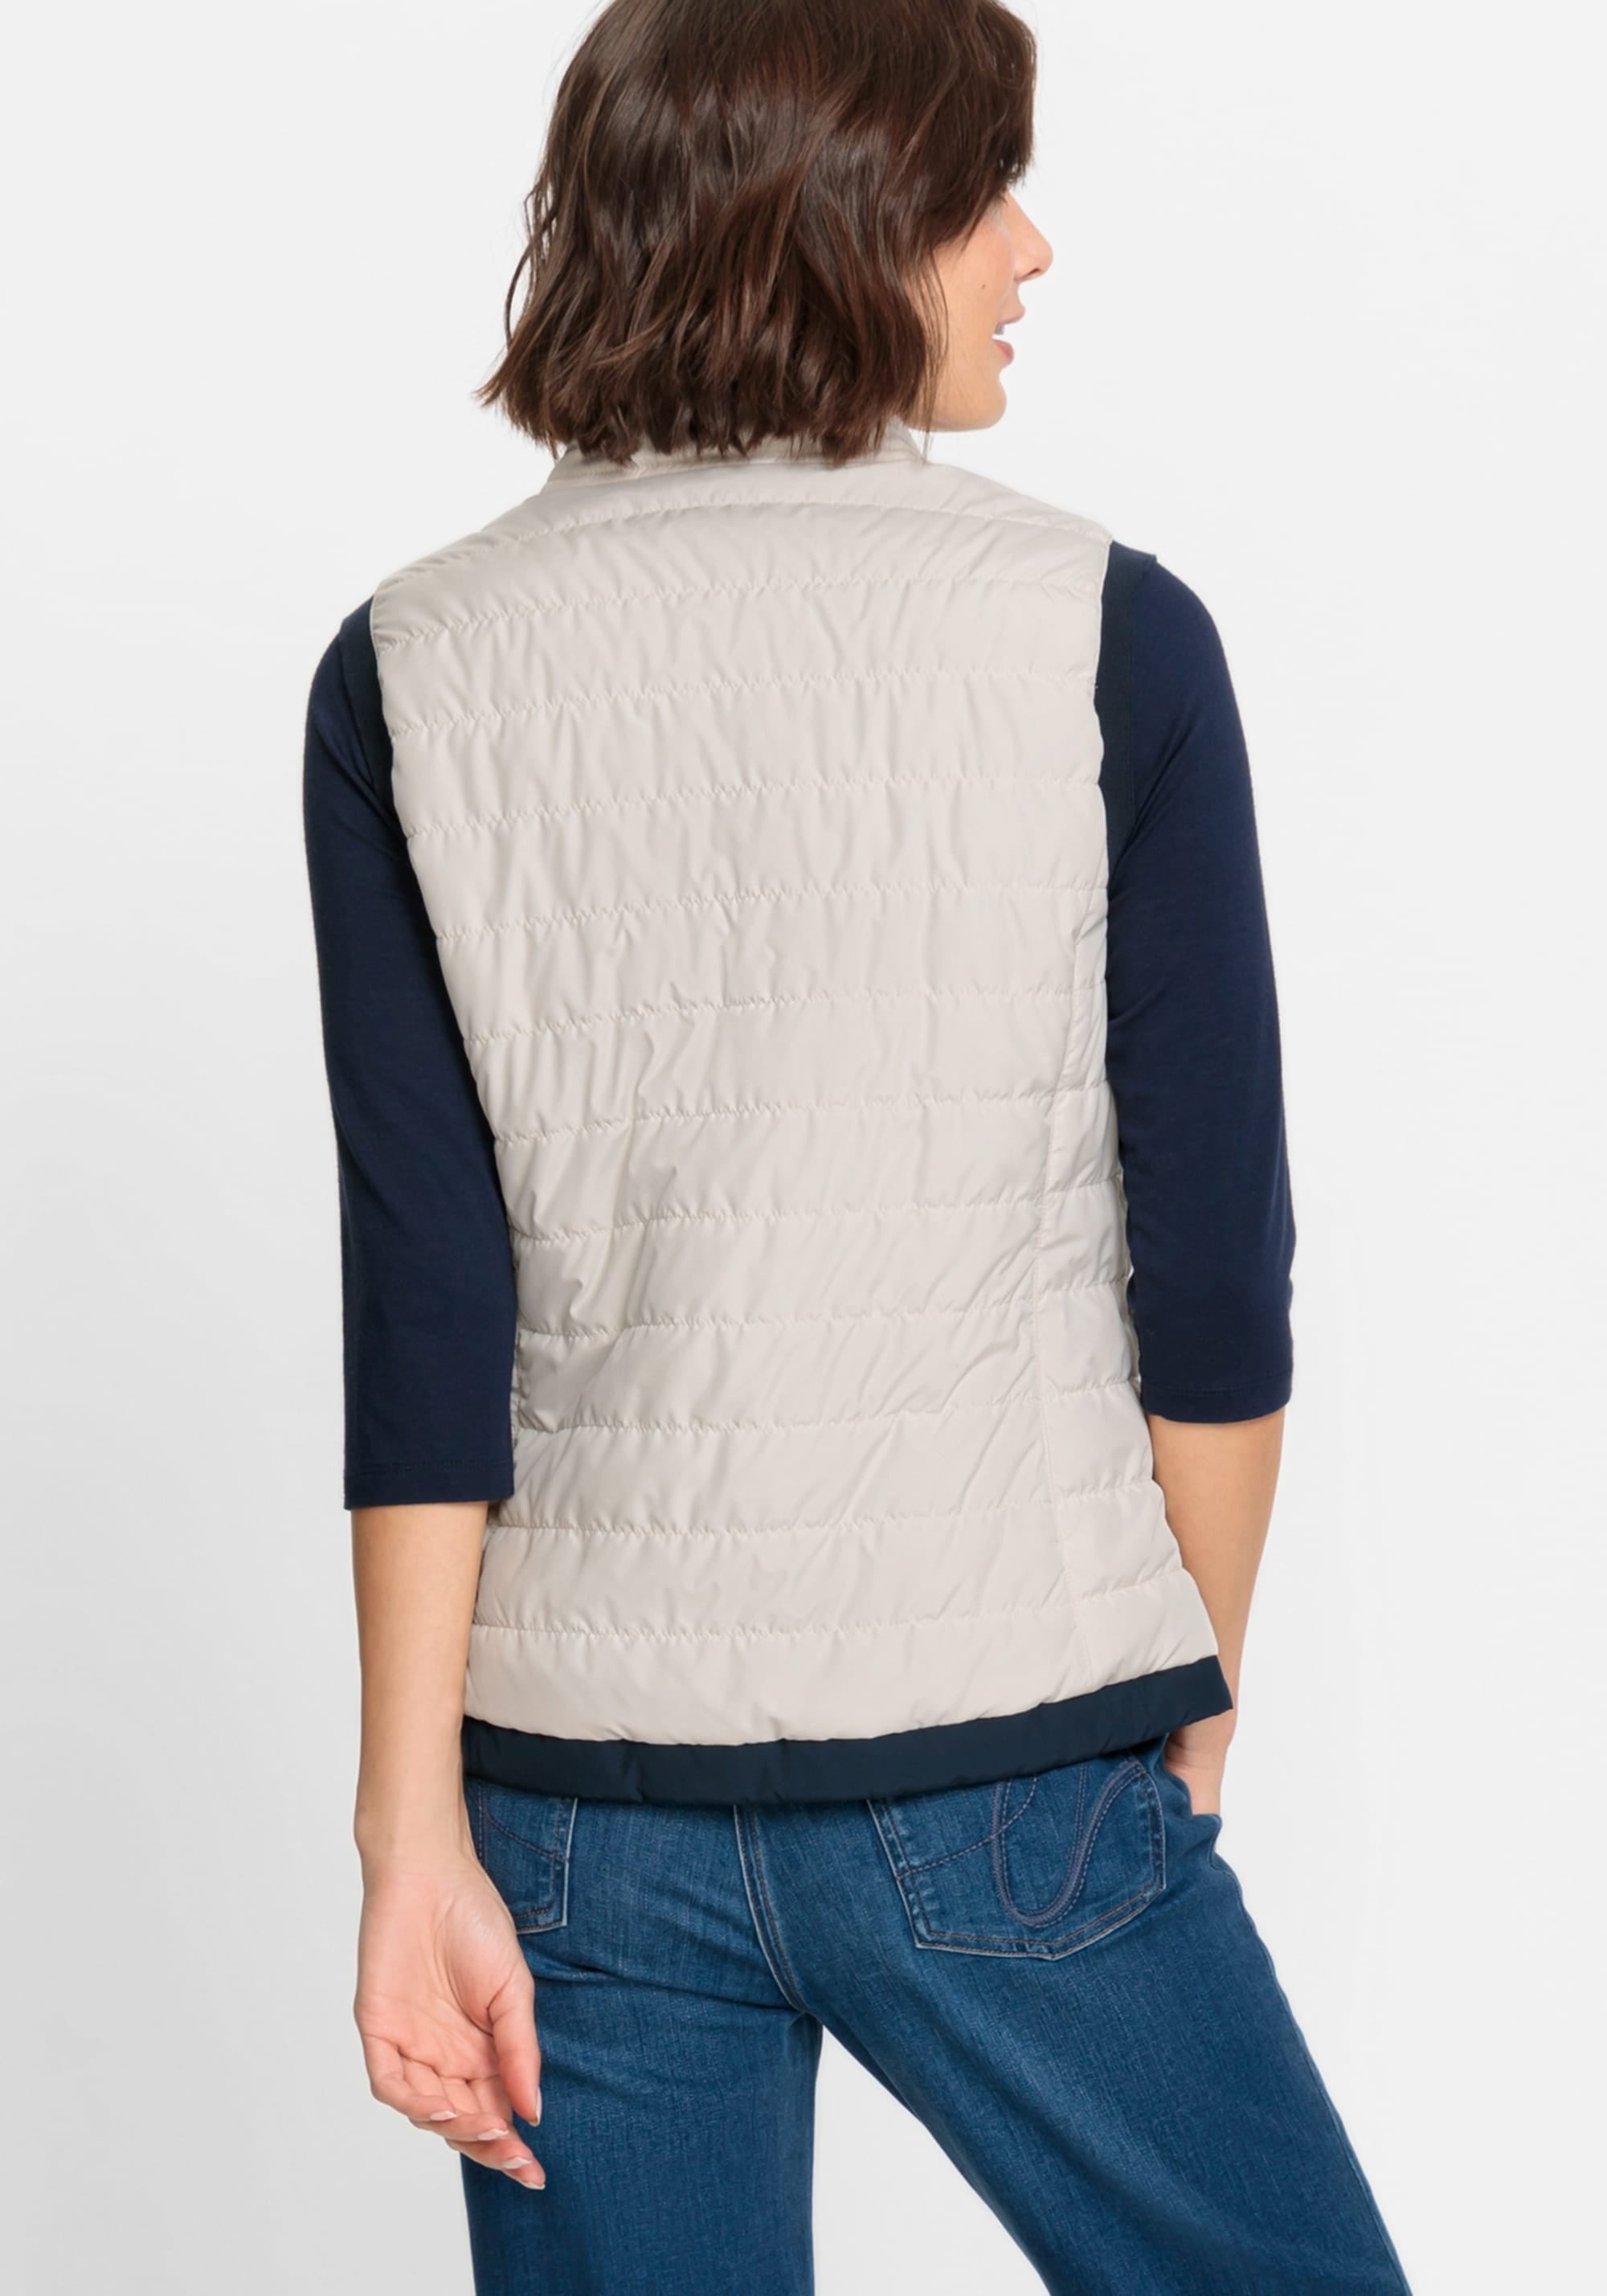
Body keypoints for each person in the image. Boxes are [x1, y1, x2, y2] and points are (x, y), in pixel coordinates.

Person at [301, 2, 1412, 2288]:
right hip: (1009, 1755)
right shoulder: (1103, 633)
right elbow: (1216, 1277)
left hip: (573, 1814)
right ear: (840, 220)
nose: (1031, 248)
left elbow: (428, 1306)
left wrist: (412, 1832)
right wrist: (1184, 1693)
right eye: (982, 192)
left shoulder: (407, 663)